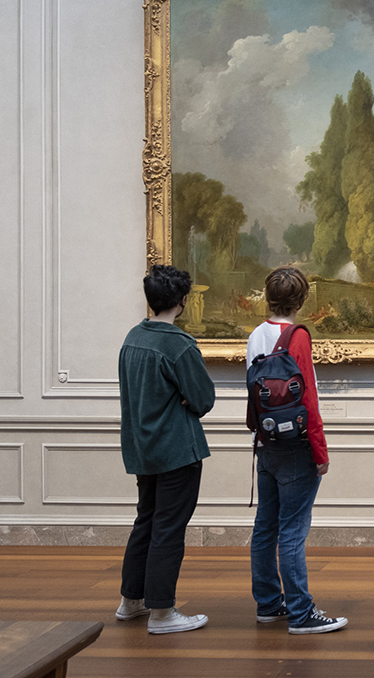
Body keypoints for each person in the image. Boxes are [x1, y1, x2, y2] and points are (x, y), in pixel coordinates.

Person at [115, 265, 216, 635]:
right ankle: (162, 613)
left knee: (146, 521)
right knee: (168, 530)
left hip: (143, 448)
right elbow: (204, 399)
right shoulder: (178, 344)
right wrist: (186, 400)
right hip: (176, 450)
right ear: (183, 301)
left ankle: (131, 601)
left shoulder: (132, 337)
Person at [246, 268, 347, 636]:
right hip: (297, 447)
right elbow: (309, 401)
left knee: (265, 528)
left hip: (267, 443)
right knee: (291, 531)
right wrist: (320, 452)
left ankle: (269, 604)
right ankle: (302, 613)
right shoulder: (298, 336)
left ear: (267, 297)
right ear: (302, 300)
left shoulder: (255, 335)